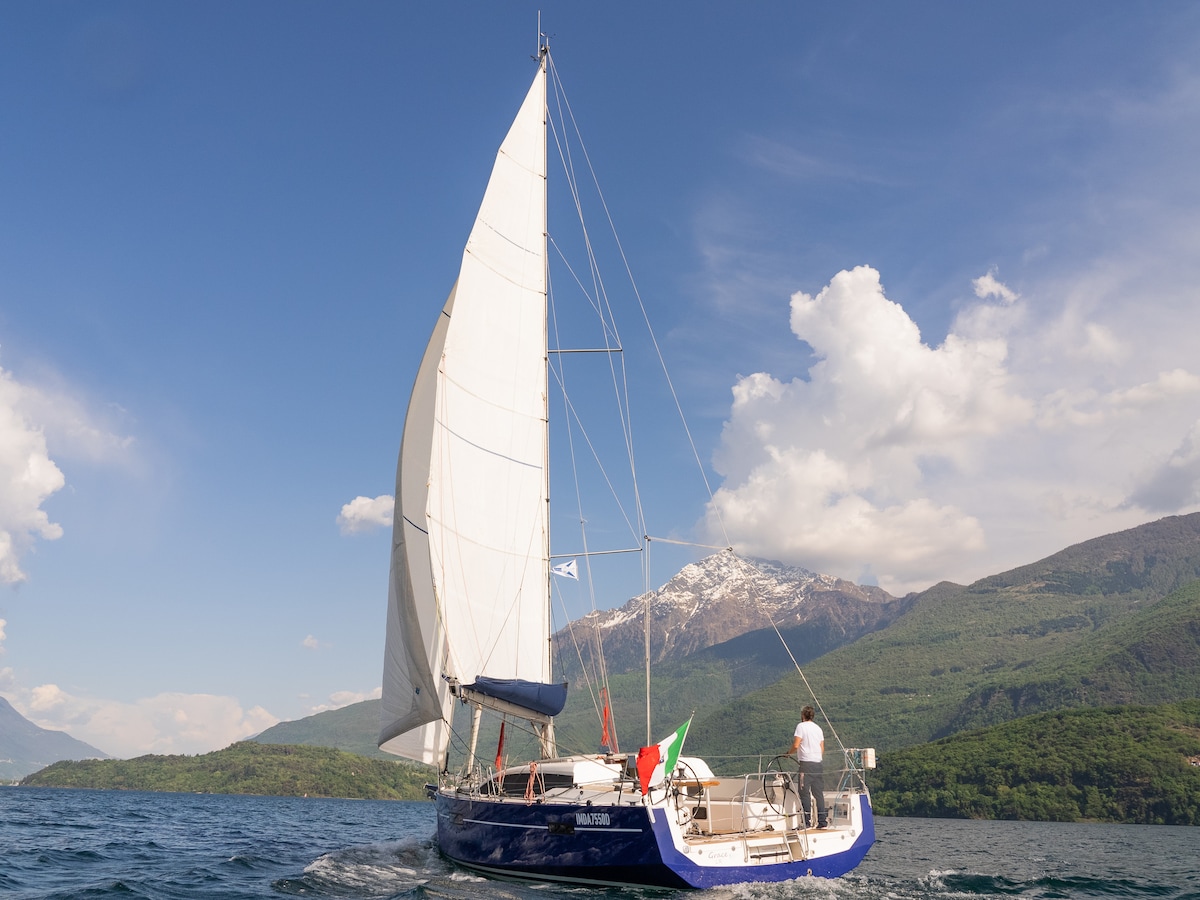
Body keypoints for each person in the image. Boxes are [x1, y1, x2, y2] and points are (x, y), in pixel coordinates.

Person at [789, 705, 828, 828]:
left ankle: (807, 822)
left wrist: (787, 754)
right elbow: (822, 748)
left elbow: (796, 745)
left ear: (802, 715)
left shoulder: (801, 727)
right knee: (818, 793)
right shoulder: (818, 729)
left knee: (804, 792)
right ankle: (822, 821)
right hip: (818, 764)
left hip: (806, 764)